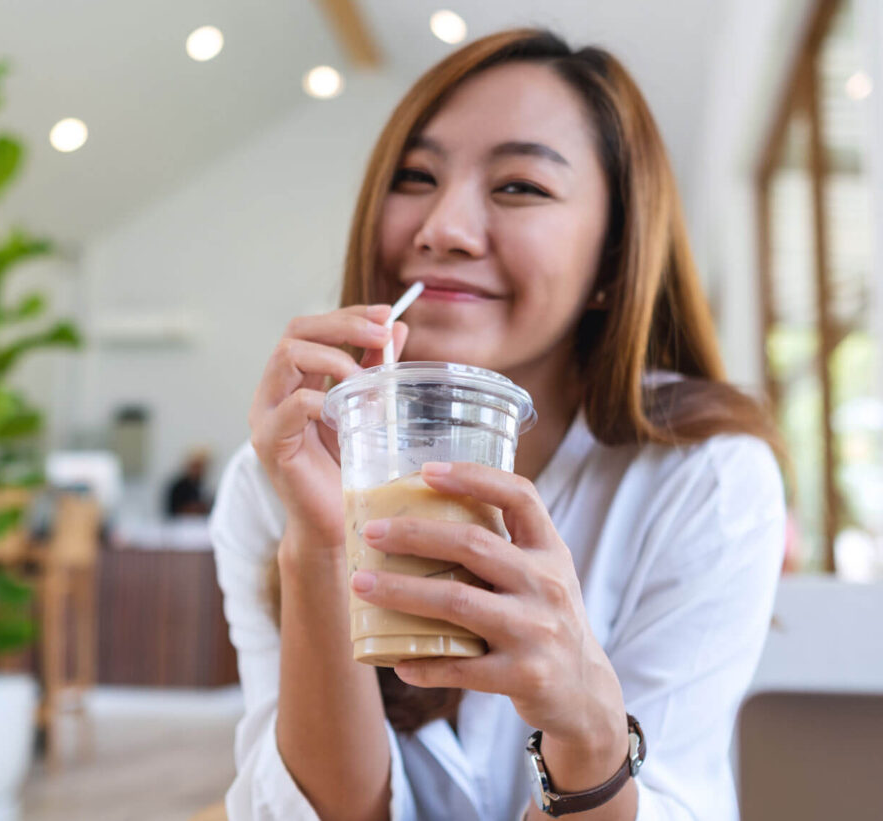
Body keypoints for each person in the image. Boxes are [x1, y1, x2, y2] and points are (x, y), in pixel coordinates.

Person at [210, 28, 785, 821]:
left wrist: (587, 732)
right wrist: (318, 547)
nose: (443, 227)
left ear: (613, 262)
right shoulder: (278, 472)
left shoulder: (705, 476)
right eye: (415, 177)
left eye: (520, 187)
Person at [165, 447, 214, 517]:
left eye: (201, 467)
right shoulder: (179, 487)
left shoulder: (201, 486)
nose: (199, 471)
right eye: (196, 467)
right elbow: (173, 509)